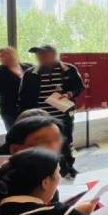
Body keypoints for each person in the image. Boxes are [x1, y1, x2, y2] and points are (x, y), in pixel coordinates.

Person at [18, 45, 84, 176]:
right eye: (38, 55)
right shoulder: (30, 74)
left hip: (63, 115)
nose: (40, 58)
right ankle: (49, 170)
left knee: (65, 142)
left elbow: (79, 86)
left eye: (43, 55)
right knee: (43, 144)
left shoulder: (69, 69)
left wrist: (69, 94)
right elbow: (23, 97)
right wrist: (25, 117)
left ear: (54, 55)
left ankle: (68, 167)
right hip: (41, 118)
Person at [0, 47, 32, 130]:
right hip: (10, 110)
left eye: (8, 54)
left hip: (31, 107)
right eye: (2, 56)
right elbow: (0, 91)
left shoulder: (29, 67)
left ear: (15, 54)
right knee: (15, 133)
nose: (6, 57)